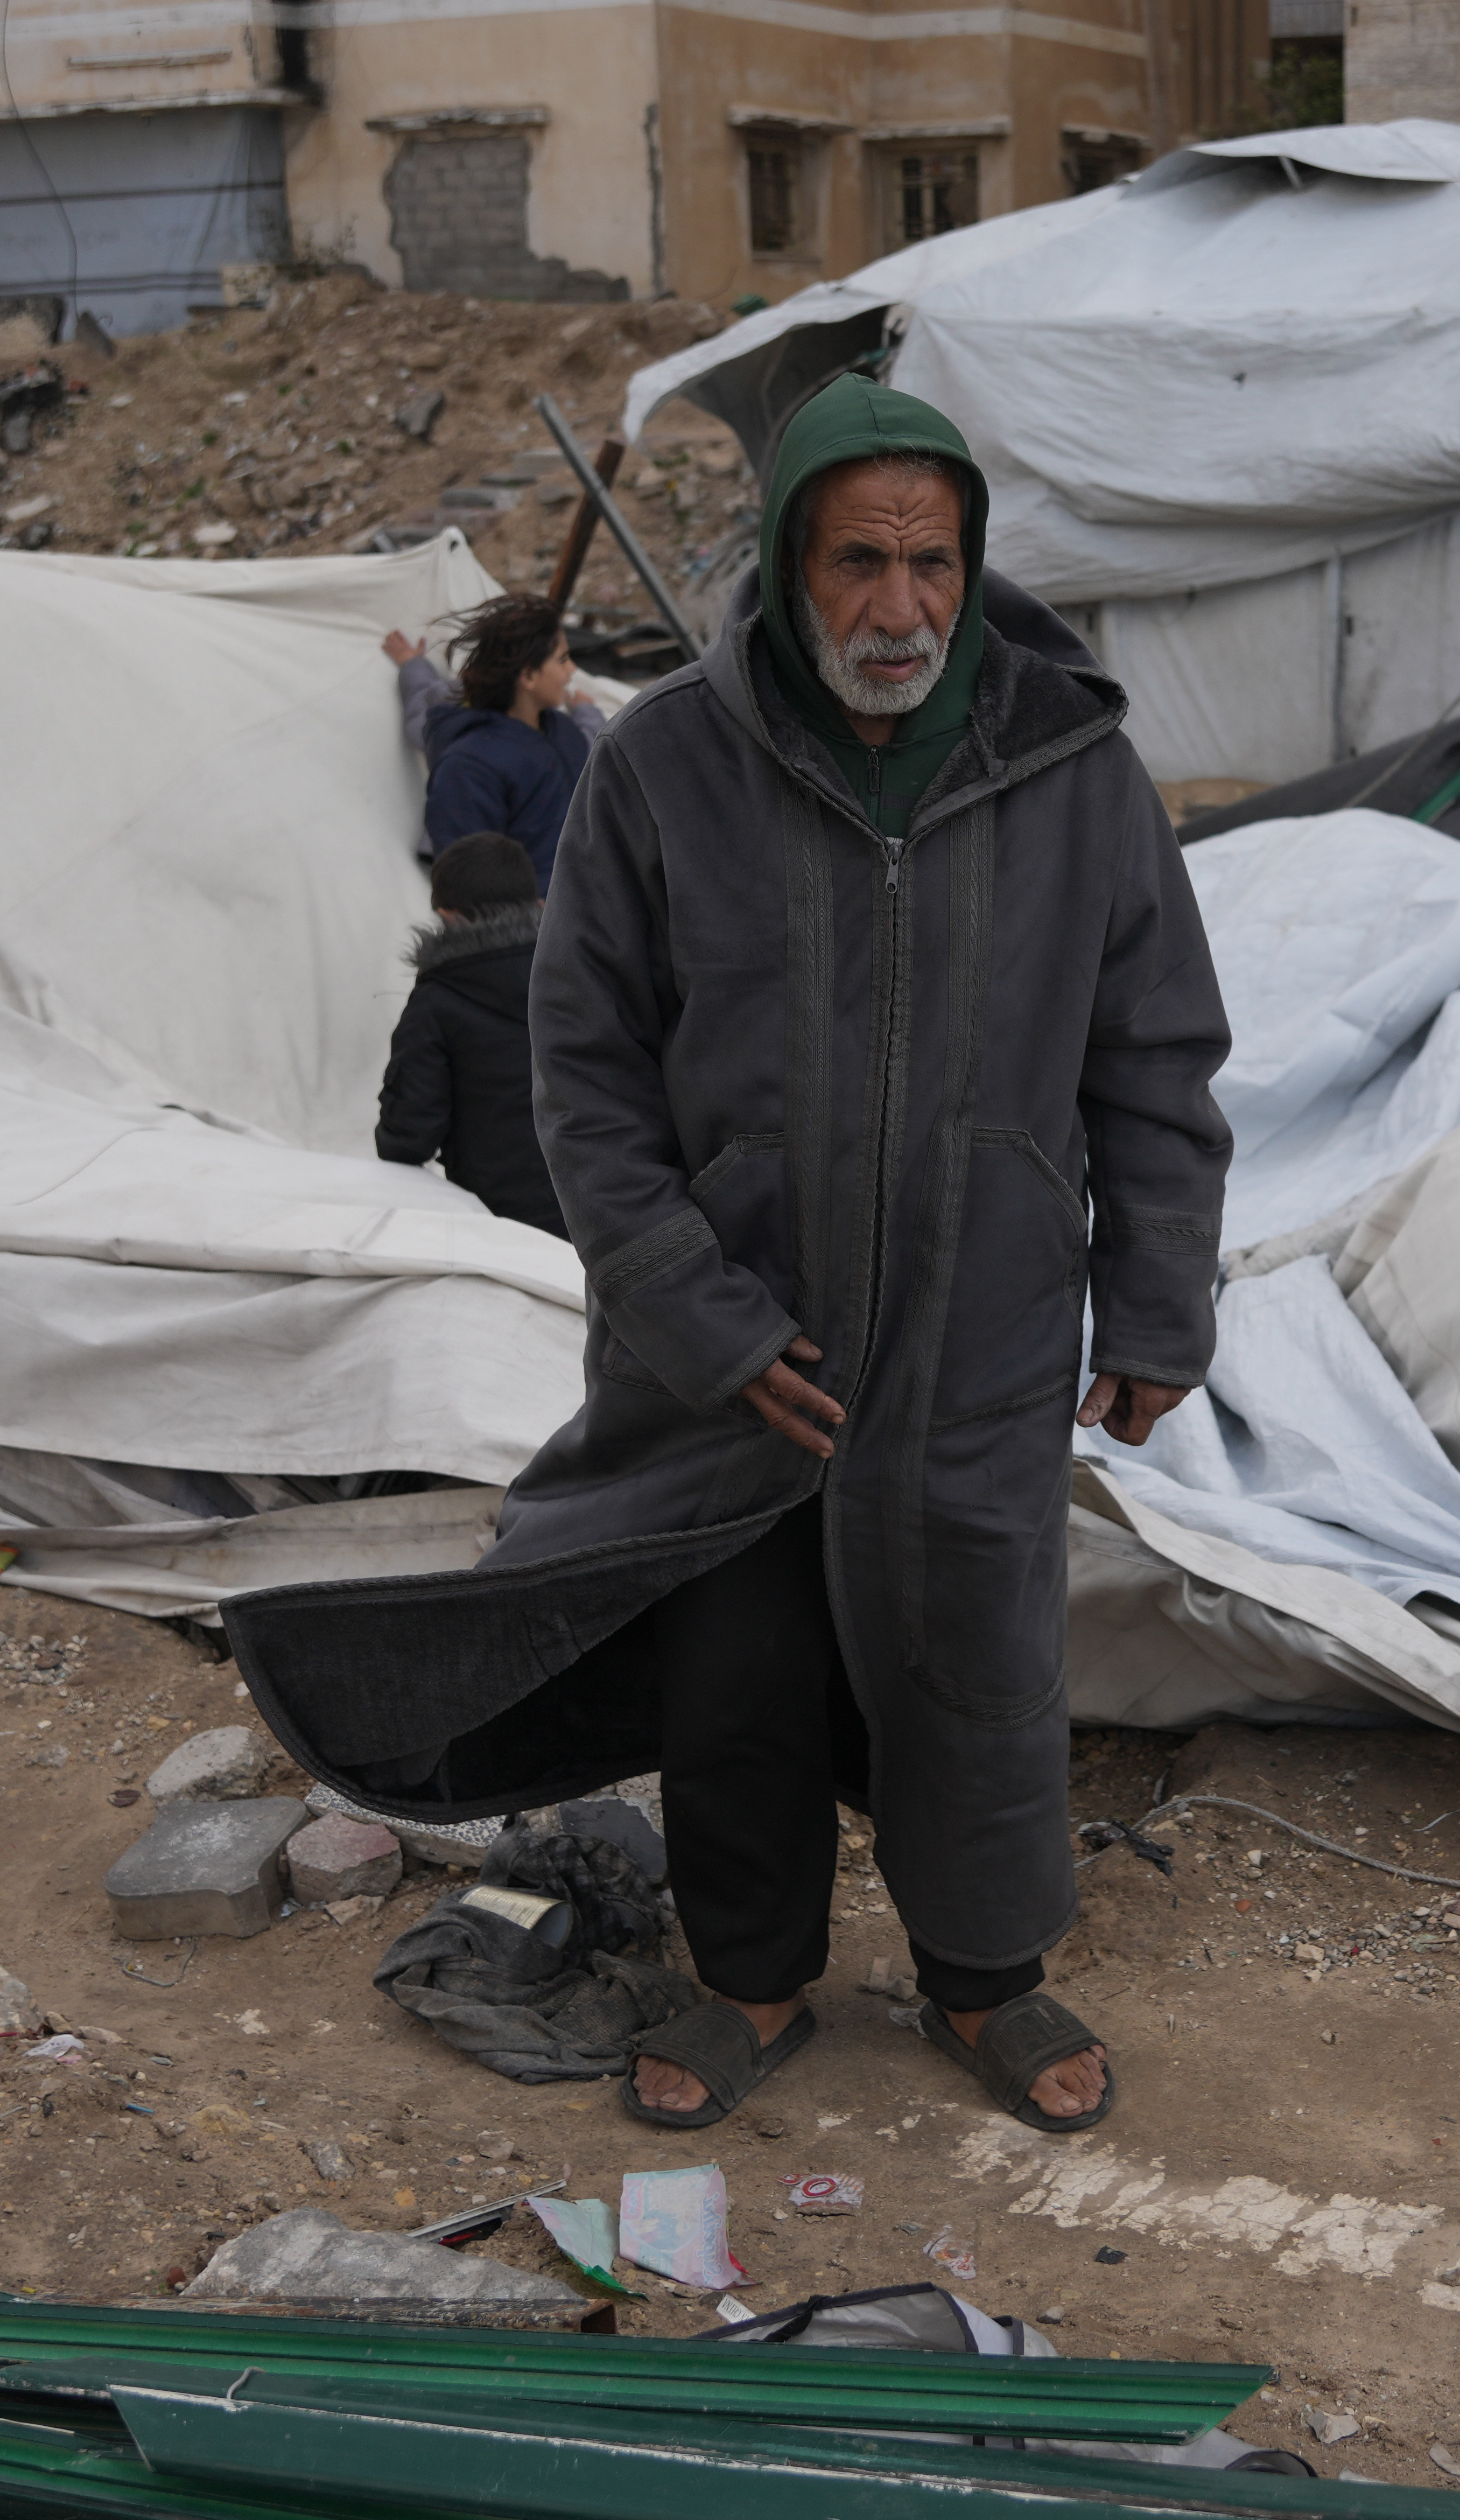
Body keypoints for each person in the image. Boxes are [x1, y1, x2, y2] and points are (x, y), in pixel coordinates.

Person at [489, 372, 1232, 2138]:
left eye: (932, 564)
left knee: (980, 1666)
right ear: (786, 565)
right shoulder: (667, 765)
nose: (899, 608)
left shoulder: (1072, 770)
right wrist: (695, 1313)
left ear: (970, 567)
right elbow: (585, 1073)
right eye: (857, 564)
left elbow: (1155, 1054)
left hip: (983, 1330)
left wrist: (1156, 1301)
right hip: (740, 1349)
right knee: (737, 1675)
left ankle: (984, 1977)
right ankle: (753, 1975)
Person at [373, 831, 564, 1237]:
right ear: (538, 903)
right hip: (611, 1203)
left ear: (447, 915)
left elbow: (408, 1137)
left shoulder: (437, 1002)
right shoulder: (583, 974)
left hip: (500, 1224)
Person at [385, 592, 596, 888]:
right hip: (542, 912)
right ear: (528, 676)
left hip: (591, 897)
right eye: (562, 659)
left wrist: (586, 711)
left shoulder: (560, 729)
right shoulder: (468, 768)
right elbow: (469, 884)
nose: (572, 669)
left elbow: (593, 751)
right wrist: (528, 910)